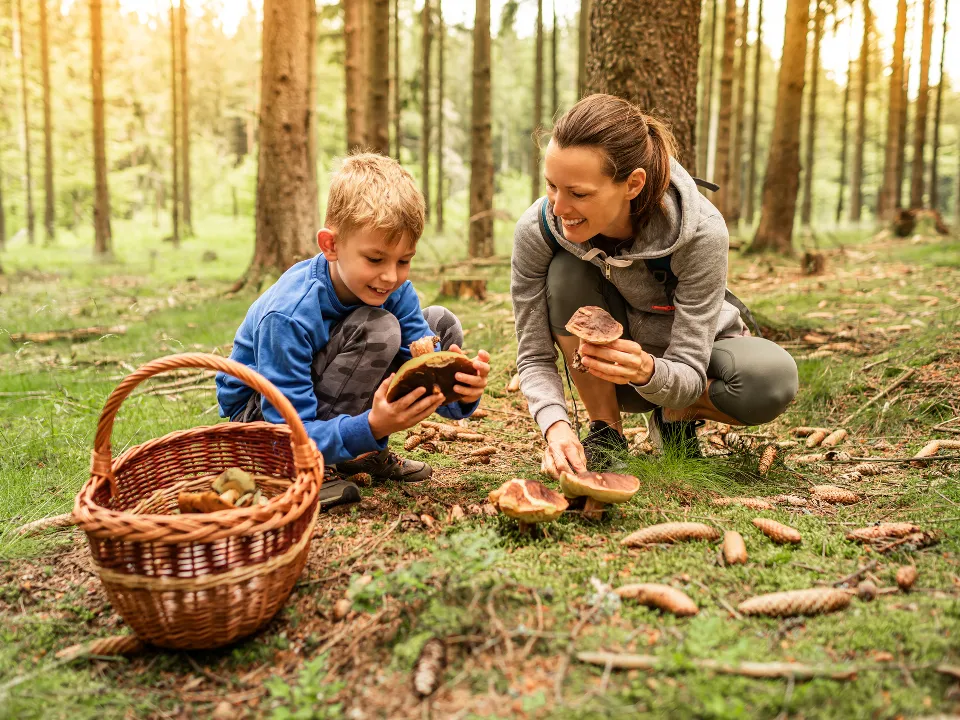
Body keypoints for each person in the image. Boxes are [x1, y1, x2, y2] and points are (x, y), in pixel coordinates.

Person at [511, 94, 798, 478]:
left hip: (682, 365)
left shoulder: (700, 232)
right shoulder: (539, 230)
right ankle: (604, 433)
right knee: (566, 271)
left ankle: (675, 416)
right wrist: (556, 426)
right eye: (551, 186)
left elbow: (690, 368)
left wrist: (648, 370)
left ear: (633, 184)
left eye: (578, 193)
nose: (558, 208)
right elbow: (532, 356)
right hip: (607, 373)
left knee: (770, 380)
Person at [217, 153, 491, 509]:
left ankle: (356, 453)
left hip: (316, 407)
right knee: (377, 330)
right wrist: (374, 427)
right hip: (264, 420)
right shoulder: (289, 314)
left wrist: (463, 392)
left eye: (404, 260)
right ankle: (310, 468)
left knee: (440, 324)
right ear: (331, 245)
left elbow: (432, 391)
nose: (391, 277)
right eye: (375, 259)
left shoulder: (395, 292)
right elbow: (287, 427)